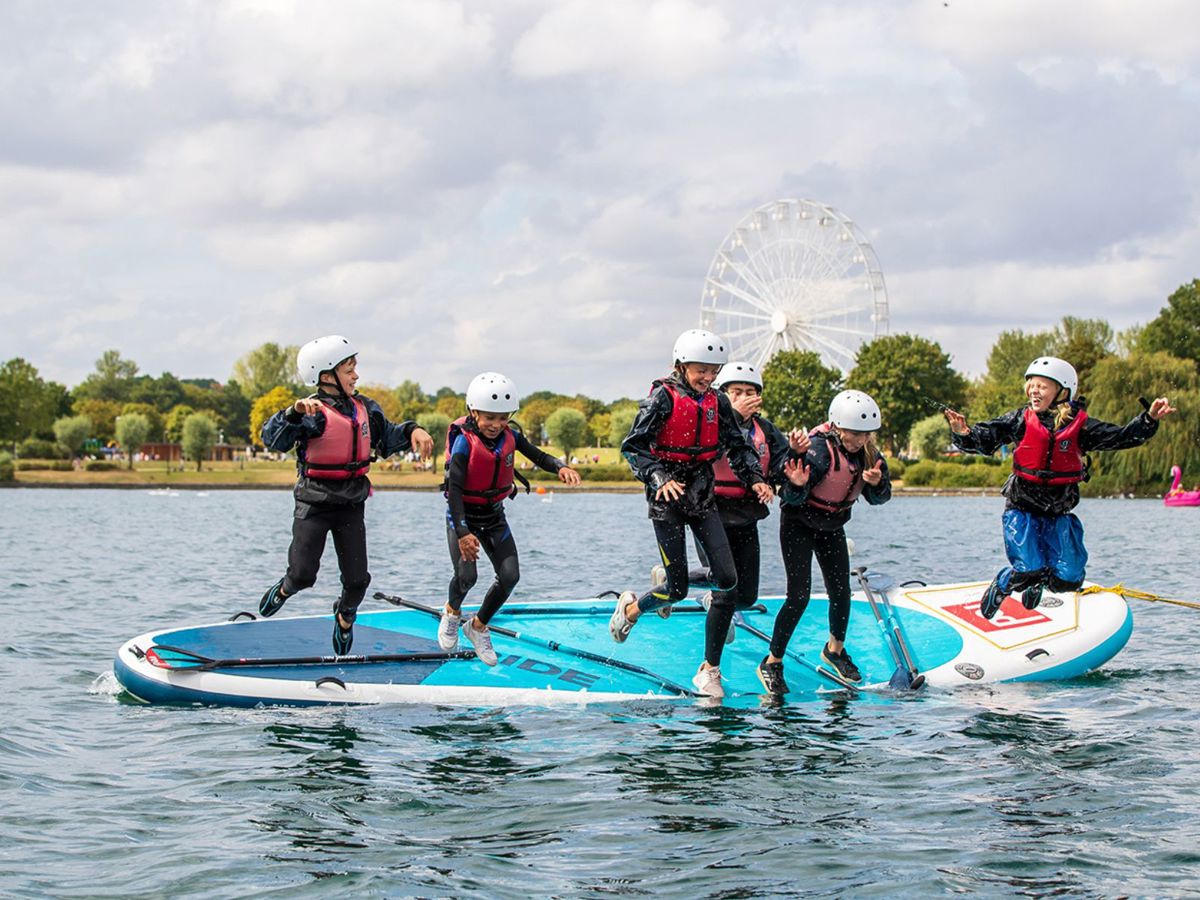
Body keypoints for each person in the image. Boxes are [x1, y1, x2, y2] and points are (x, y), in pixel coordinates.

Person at [944, 356, 1175, 618]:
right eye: (1031, 385)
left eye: (1042, 386)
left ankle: (1038, 582)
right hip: (1023, 510)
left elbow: (1120, 437)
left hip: (1058, 513)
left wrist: (1149, 419)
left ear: (1062, 391)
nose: (1034, 391)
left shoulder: (1081, 426)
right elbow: (985, 440)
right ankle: (1004, 584)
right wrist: (963, 434)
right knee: (1027, 567)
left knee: (1069, 578)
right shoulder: (1020, 419)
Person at [611, 330, 774, 699]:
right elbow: (633, 448)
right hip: (666, 500)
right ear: (681, 365)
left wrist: (756, 480)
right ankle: (633, 609)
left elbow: (738, 446)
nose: (708, 378)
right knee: (678, 587)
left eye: (713, 371)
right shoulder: (662, 399)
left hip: (702, 498)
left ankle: (709, 669)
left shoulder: (717, 401)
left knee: (728, 580)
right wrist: (658, 477)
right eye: (701, 370)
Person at [257, 335, 434, 653]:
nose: (356, 375)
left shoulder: (365, 408)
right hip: (314, 504)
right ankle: (284, 590)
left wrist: (413, 430)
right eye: (349, 369)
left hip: (351, 503)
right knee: (303, 576)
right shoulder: (309, 412)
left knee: (357, 581)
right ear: (326, 376)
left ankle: (344, 617)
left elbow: (388, 435)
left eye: (355, 368)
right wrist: (293, 413)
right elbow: (273, 439)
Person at [438, 372, 581, 665]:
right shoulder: (464, 444)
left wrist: (560, 467)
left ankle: (477, 626)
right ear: (473, 412)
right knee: (467, 577)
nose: (496, 425)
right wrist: (463, 532)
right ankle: (452, 612)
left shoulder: (510, 437)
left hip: (493, 517)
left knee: (510, 576)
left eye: (503, 418)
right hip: (463, 516)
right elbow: (453, 491)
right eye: (489, 418)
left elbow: (539, 456)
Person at [757, 390, 891, 695]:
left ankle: (834, 650)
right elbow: (789, 496)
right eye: (855, 434)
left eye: (866, 435)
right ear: (838, 427)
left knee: (841, 592)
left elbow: (880, 498)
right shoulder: (818, 451)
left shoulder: (871, 456)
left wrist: (877, 483)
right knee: (799, 596)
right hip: (798, 525)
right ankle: (772, 661)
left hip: (832, 527)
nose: (860, 441)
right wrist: (797, 485)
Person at [693, 361, 798, 675]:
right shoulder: (709, 423)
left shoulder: (765, 430)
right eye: (735, 392)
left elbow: (780, 465)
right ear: (722, 396)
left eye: (749, 392)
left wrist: (794, 454)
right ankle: (710, 668)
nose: (743, 397)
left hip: (746, 514)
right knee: (725, 582)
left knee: (747, 594)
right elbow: (710, 448)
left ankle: (707, 597)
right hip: (710, 511)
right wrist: (734, 415)